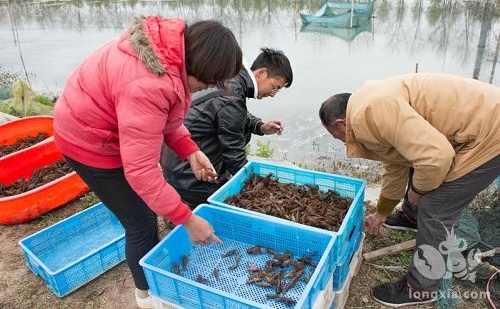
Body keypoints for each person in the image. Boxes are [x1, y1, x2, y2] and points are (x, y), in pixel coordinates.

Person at [53, 16, 242, 308]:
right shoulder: (148, 83)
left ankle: (152, 286)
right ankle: (146, 296)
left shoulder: (169, 51)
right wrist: (188, 219)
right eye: (205, 82)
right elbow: (141, 172)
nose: (204, 89)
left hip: (106, 125)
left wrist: (189, 149)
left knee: (145, 211)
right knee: (140, 221)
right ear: (197, 65)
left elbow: (163, 112)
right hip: (88, 140)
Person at [319, 73, 500, 307]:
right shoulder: (368, 103)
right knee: (420, 167)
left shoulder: (371, 111)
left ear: (340, 123)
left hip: (491, 133)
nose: (341, 142)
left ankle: (422, 287)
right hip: (482, 124)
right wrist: (382, 212)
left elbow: (437, 157)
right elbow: (397, 160)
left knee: (437, 206)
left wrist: (417, 191)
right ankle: (412, 218)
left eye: (337, 137)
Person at [162, 48, 293, 208]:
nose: (273, 94)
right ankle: (191, 199)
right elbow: (234, 154)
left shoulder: (232, 77)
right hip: (188, 174)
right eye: (275, 87)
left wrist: (260, 127)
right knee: (235, 199)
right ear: (261, 73)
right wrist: (258, 187)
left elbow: (234, 114)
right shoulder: (232, 96)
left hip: (174, 163)